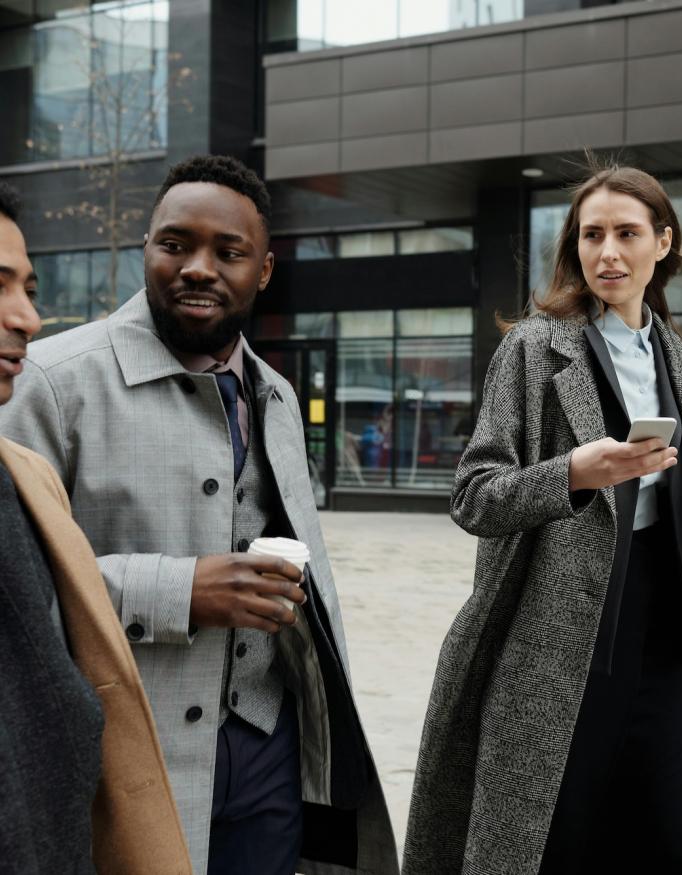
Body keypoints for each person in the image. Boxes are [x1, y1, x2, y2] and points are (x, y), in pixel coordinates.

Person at [0, 157, 397, 875]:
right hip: (126, 758)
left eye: (228, 251)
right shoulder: (48, 382)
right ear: (146, 247)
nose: (197, 268)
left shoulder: (276, 393)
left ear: (264, 270)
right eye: (175, 244)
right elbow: (16, 592)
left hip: (269, 751)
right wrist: (179, 590)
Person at [403, 163, 682, 874]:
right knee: (552, 847)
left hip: (663, 633)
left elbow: (664, 491)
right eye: (592, 235)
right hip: (559, 643)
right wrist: (575, 474)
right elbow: (475, 495)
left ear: (664, 243)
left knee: (680, 849)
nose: (607, 252)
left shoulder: (672, 354)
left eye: (626, 234)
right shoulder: (534, 347)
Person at [0, 182, 190, 873]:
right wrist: (182, 588)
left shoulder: (21, 477)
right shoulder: (59, 383)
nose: (27, 316)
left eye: (29, 288)